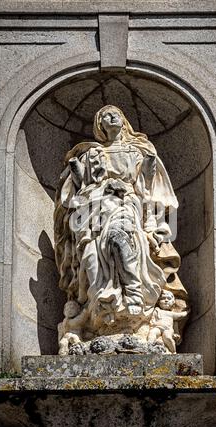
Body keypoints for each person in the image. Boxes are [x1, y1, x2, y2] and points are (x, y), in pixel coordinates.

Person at [54, 105, 188, 349]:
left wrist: (148, 165)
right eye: (103, 115)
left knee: (119, 240)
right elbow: (79, 188)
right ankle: (97, 305)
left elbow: (146, 186)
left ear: (123, 120)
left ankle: (134, 293)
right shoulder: (92, 153)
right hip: (95, 212)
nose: (110, 116)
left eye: (114, 113)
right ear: (100, 126)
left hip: (126, 206)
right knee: (91, 259)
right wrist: (78, 173)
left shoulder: (138, 151)